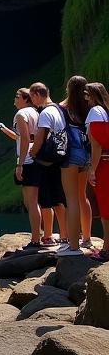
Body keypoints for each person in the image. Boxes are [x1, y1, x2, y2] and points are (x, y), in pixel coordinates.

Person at [29, 81, 69, 251]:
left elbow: (40, 136)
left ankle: (48, 236)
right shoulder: (59, 109)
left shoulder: (45, 113)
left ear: (37, 94)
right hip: (60, 158)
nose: (32, 101)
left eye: (32, 97)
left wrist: (33, 152)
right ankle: (65, 234)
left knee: (46, 199)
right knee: (59, 198)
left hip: (46, 160)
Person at [1, 88, 42, 248]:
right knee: (35, 201)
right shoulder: (36, 112)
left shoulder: (20, 114)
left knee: (31, 202)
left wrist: (20, 164)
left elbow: (25, 139)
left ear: (26, 99)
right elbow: (25, 137)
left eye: (17, 97)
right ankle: (41, 236)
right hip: (36, 157)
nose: (14, 100)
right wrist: (6, 131)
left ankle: (35, 239)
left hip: (28, 160)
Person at [60, 75, 90, 255]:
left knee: (70, 199)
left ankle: (73, 246)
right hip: (86, 153)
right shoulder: (88, 107)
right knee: (82, 196)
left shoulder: (63, 107)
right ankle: (86, 238)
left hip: (71, 154)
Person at [86, 82, 109, 260]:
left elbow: (97, 145)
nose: (84, 97)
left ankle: (107, 249)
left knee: (105, 206)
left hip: (103, 164)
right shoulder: (105, 111)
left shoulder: (95, 112)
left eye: (86, 94)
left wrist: (92, 170)